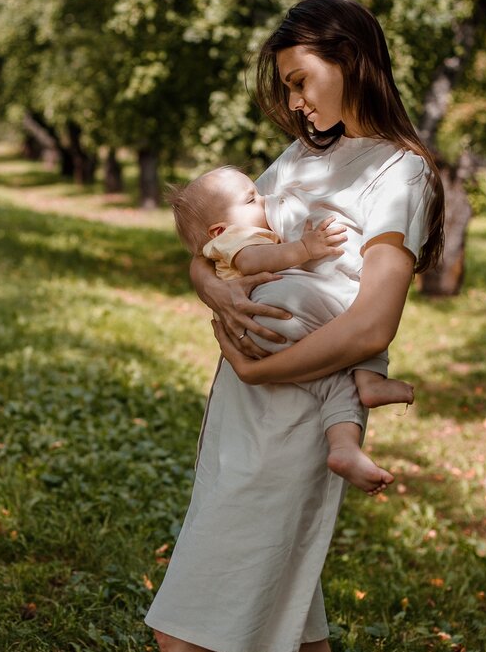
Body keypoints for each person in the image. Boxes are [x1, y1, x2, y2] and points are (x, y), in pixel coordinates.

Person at [98, 0, 444, 652]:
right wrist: (212, 290)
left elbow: (373, 322)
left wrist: (262, 366)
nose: (294, 104)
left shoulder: (400, 174)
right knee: (303, 621)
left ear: (351, 55)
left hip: (291, 405)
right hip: (242, 410)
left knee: (183, 627)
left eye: (303, 80)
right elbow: (217, 250)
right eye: (285, 89)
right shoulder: (300, 160)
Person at [169, 164, 416, 494]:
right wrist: (305, 248)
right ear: (218, 230)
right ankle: (371, 376)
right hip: (276, 308)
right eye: (251, 199)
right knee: (358, 306)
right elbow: (252, 262)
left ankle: (344, 446)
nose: (264, 200)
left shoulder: (225, 240)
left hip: (260, 335)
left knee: (332, 384)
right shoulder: (234, 240)